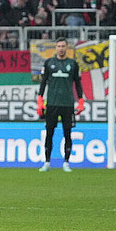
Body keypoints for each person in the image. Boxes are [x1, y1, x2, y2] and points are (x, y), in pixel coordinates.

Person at [37, 38, 85, 172]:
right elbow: (43, 82)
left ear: (67, 47)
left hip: (67, 104)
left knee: (67, 133)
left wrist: (80, 100)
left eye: (63, 46)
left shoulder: (73, 64)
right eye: (59, 46)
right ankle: (47, 162)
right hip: (52, 103)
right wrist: (40, 99)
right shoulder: (49, 63)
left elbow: (78, 83)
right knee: (49, 133)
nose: (61, 48)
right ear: (56, 48)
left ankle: (66, 162)